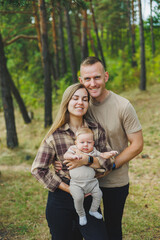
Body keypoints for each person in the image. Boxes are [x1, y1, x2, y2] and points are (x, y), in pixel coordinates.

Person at [63, 57, 143, 240]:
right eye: (87, 79)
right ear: (80, 80)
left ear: (106, 76)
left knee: (113, 228)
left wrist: (110, 166)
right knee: (82, 229)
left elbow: (137, 144)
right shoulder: (80, 104)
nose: (93, 83)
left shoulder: (123, 106)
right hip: (84, 181)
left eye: (97, 77)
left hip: (115, 180)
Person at [31, 83, 113, 240]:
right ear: (67, 102)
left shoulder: (96, 130)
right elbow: (38, 169)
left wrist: (86, 160)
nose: (80, 103)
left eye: (84, 99)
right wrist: (68, 189)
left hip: (89, 196)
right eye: (75, 98)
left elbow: (109, 163)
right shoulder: (55, 135)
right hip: (61, 200)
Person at [65, 127, 118, 226]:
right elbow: (66, 155)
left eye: (89, 142)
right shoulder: (73, 149)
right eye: (82, 142)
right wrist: (72, 157)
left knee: (98, 194)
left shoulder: (93, 151)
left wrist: (109, 154)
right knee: (78, 198)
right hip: (76, 184)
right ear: (76, 143)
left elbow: (102, 155)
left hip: (91, 182)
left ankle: (93, 210)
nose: (85, 144)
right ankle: (81, 215)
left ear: (93, 143)